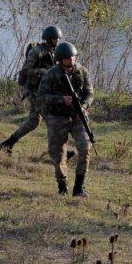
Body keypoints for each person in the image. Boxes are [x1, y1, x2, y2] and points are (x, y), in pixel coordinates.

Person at [34, 41, 93, 196]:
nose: (71, 60)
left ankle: (79, 188)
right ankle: (62, 185)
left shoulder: (82, 71)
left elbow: (89, 93)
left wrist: (84, 106)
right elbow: (41, 97)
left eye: (73, 57)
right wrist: (61, 99)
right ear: (60, 59)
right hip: (57, 117)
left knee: (85, 147)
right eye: (68, 58)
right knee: (57, 153)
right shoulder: (51, 74)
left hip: (78, 115)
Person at [0, 25, 62, 153]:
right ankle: (59, 152)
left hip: (42, 90)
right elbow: (25, 70)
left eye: (58, 39)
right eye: (55, 39)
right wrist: (42, 71)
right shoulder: (37, 52)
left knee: (33, 122)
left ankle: (8, 144)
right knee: (51, 120)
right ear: (49, 39)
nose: (58, 41)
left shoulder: (53, 52)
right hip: (33, 91)